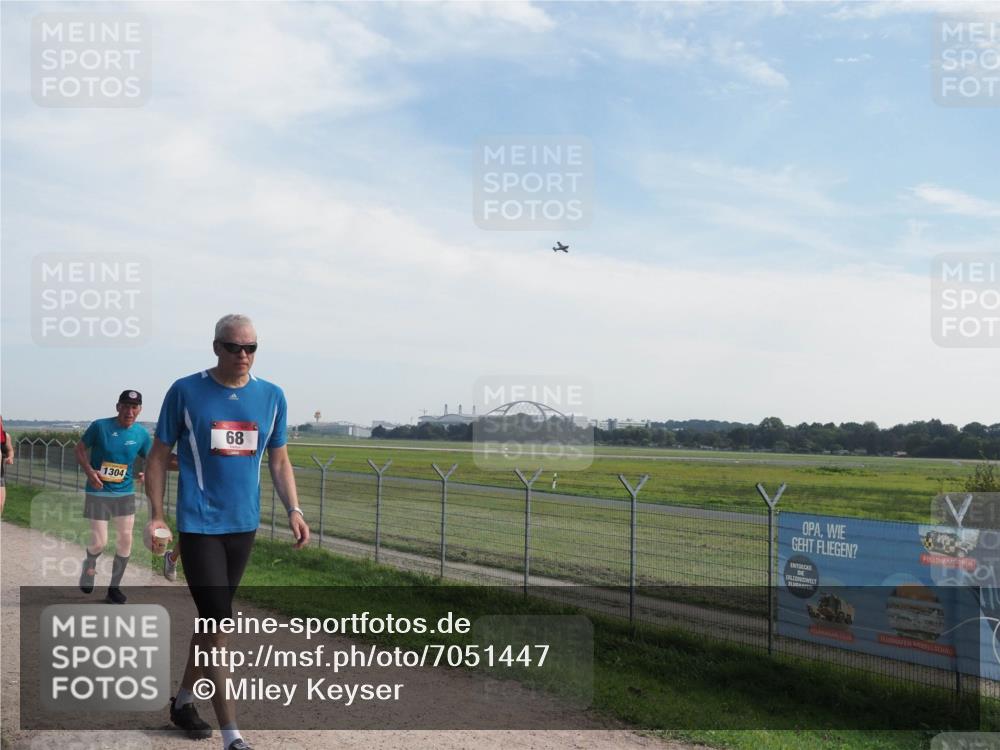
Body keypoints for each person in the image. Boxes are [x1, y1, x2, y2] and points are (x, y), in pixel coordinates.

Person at [145, 314, 310, 750]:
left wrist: (293, 508)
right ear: (216, 347)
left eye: (251, 348)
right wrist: (157, 515)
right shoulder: (186, 391)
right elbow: (159, 457)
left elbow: (279, 460)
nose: (243, 355)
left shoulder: (272, 396)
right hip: (199, 525)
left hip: (244, 526)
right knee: (219, 622)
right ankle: (232, 736)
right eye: (234, 347)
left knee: (211, 619)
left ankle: (182, 702)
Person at [74, 391, 153, 604]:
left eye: (134, 407)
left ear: (140, 409)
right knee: (100, 542)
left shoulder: (141, 434)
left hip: (124, 493)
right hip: (98, 490)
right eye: (125, 406)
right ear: (117, 407)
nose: (130, 411)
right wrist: (90, 472)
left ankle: (114, 589)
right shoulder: (100, 427)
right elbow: (79, 449)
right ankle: (89, 565)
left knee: (125, 540)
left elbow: (152, 459)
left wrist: (146, 471)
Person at [0, 416, 13, 515]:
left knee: (0, 504)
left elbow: (10, 449)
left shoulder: (5, 436)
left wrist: (10, 457)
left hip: (0, 475)